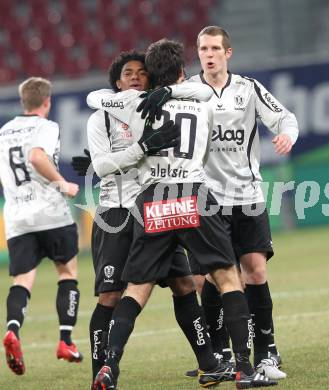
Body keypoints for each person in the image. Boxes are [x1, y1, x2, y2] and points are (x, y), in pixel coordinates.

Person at [88, 39, 277, 389]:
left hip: (153, 199)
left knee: (136, 289)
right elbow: (205, 135)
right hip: (192, 193)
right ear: (181, 71)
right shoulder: (201, 102)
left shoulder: (134, 104)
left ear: (151, 75)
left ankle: (109, 366)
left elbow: (95, 98)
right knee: (227, 279)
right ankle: (243, 369)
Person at [77, 51, 231, 385]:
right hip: (117, 212)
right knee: (111, 296)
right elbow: (101, 167)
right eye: (127, 73)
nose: (135, 77)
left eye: (141, 72)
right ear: (117, 82)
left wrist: (170, 92)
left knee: (184, 283)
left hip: (153, 209)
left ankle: (208, 363)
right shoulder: (101, 115)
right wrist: (142, 148)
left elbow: (202, 92)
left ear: (152, 78)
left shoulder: (155, 106)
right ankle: (101, 374)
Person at [186, 25, 299, 379]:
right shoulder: (188, 91)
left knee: (256, 272)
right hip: (207, 199)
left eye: (214, 48)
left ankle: (267, 351)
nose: (208, 54)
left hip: (247, 196)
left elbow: (284, 117)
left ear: (227, 53)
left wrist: (286, 135)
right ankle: (220, 353)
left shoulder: (247, 89)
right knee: (209, 279)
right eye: (203, 48)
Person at [0, 77, 82, 376]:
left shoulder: (4, 131)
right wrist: (62, 183)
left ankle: (12, 330)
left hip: (18, 216)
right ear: (47, 102)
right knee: (67, 272)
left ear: (23, 101)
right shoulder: (46, 127)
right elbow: (37, 157)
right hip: (51, 213)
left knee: (22, 280)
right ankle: (65, 341)